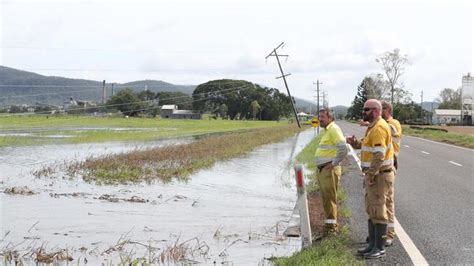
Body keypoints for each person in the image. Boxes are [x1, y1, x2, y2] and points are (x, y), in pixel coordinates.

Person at [346, 99, 395, 259]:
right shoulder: (372, 127)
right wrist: (355, 143)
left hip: (379, 175)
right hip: (375, 175)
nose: (363, 112)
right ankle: (372, 245)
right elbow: (368, 146)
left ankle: (379, 247)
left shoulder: (379, 128)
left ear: (375, 111)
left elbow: (379, 155)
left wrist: (371, 174)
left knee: (379, 210)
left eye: (366, 110)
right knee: (372, 209)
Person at [314, 108, 348, 236]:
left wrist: (333, 163)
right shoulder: (327, 130)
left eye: (322, 117)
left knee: (330, 198)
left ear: (330, 118)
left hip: (329, 170)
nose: (320, 119)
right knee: (326, 199)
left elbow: (343, 148)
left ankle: (332, 229)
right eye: (319, 117)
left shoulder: (333, 129)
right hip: (323, 170)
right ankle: (329, 227)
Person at [381, 100, 402, 246]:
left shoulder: (394, 123)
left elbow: (392, 131)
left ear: (387, 109)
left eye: (379, 109)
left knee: (388, 202)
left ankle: (389, 234)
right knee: (378, 203)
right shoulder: (379, 125)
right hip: (380, 166)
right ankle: (380, 233)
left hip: (390, 165)